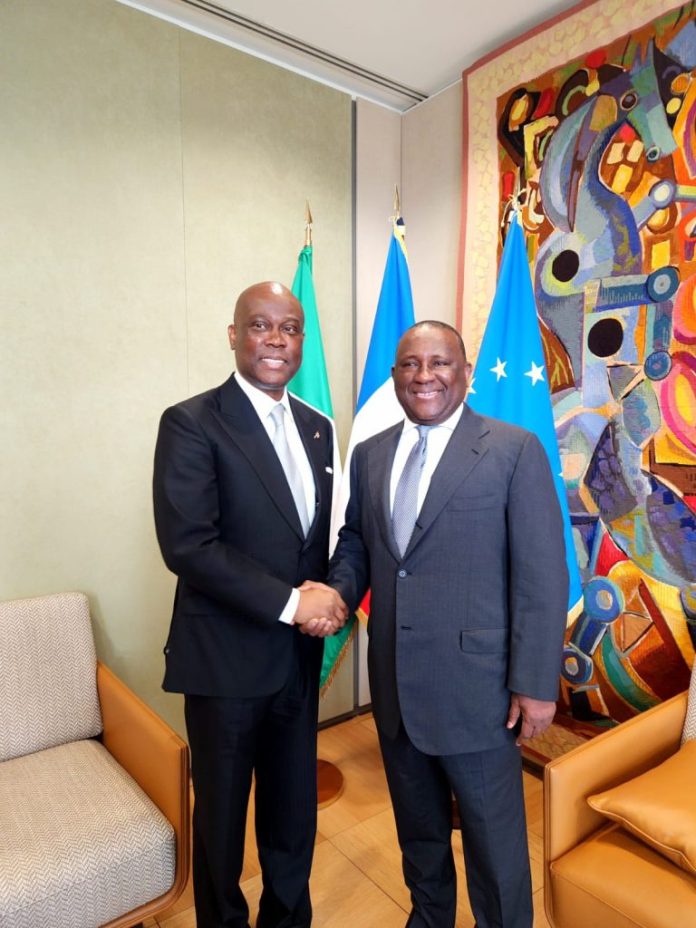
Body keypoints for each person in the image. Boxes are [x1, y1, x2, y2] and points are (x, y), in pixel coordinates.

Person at [324, 320, 569, 928]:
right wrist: (334, 594)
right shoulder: (370, 453)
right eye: (411, 364)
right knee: (419, 834)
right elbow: (356, 543)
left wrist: (535, 683)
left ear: (464, 373)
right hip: (396, 688)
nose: (424, 376)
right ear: (395, 375)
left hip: (479, 693)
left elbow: (541, 575)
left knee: (495, 847)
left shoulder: (513, 449)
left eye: (439, 363)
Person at [152, 281, 347, 928]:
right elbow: (189, 546)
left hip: (296, 662)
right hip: (225, 664)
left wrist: (331, 598)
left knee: (292, 815)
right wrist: (293, 603)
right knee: (222, 823)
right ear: (234, 335)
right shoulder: (191, 422)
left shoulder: (317, 427)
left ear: (301, 341)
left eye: (289, 328)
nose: (276, 339)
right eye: (260, 325)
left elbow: (319, 539)